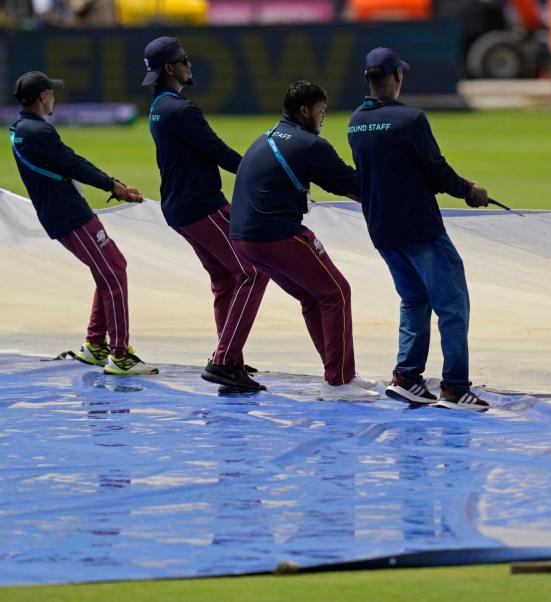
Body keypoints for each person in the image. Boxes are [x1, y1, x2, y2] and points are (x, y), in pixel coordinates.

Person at [347, 47, 490, 412]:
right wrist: (469, 192)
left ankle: (408, 376)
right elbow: (436, 171)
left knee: (414, 300)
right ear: (396, 76)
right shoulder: (410, 119)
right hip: (419, 229)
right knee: (453, 306)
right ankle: (456, 388)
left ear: (367, 79)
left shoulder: (356, 122)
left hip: (382, 229)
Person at [229, 80, 377, 400]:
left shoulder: (265, 137)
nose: (323, 119)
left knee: (314, 297)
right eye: (321, 112)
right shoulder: (310, 144)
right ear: (304, 111)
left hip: (243, 238)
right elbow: (350, 183)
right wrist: (394, 195)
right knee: (337, 291)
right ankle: (338, 382)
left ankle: (339, 372)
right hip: (274, 234)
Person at [9, 71, 157, 375]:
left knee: (108, 269)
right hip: (70, 214)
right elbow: (73, 164)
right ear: (43, 97)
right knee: (114, 270)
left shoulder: (20, 129)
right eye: (51, 92)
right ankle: (119, 355)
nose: (54, 97)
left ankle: (95, 345)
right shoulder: (39, 132)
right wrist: (113, 185)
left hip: (59, 214)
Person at [143, 36, 268, 393]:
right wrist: (267, 178)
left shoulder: (158, 106)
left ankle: (231, 358)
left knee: (226, 279)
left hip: (180, 208)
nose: (189, 64)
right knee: (253, 272)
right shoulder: (182, 111)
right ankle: (225, 359)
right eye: (184, 59)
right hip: (201, 206)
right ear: (170, 68)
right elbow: (220, 153)